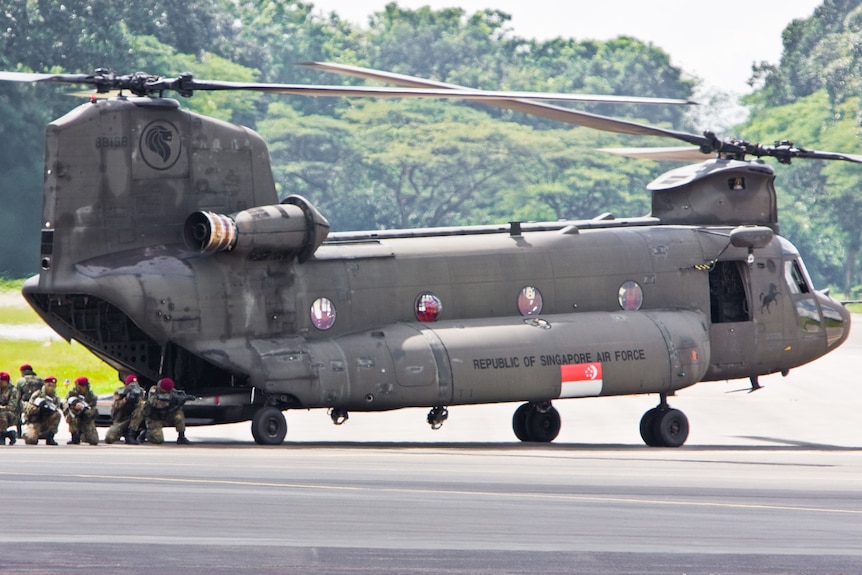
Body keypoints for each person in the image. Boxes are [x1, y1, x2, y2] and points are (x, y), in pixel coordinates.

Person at [143, 377, 191, 445]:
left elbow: (175, 406)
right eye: (166, 390)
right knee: (158, 440)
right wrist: (170, 402)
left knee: (179, 414)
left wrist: (179, 402)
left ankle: (181, 436)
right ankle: (145, 433)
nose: (167, 392)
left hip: (166, 416)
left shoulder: (172, 391)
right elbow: (154, 403)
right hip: (154, 418)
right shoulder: (154, 390)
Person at [105, 374, 146, 444]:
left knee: (142, 407)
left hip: (134, 420)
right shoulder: (120, 392)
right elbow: (115, 406)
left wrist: (136, 400)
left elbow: (142, 406)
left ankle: (131, 434)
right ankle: (123, 433)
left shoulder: (140, 392)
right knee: (109, 438)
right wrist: (125, 400)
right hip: (122, 420)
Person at [22, 376, 62, 445]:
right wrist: (38, 408)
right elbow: (28, 408)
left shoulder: (55, 398)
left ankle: (50, 437)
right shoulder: (37, 395)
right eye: (49, 385)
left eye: (53, 386)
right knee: (31, 441)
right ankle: (29, 433)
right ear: (44, 384)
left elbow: (57, 408)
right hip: (35, 421)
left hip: (47, 421)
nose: (51, 388)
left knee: (57, 415)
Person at [63, 376, 99, 445]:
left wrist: (85, 409)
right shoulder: (72, 393)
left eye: (85, 386)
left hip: (86, 418)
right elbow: (65, 404)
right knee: (71, 416)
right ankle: (74, 436)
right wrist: (73, 406)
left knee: (94, 441)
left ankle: (84, 434)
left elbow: (93, 408)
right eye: (81, 386)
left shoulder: (91, 396)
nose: (83, 388)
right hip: (75, 416)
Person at [15, 364, 43, 437]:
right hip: (39, 404)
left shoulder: (21, 381)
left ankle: (19, 432)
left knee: (17, 408)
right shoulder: (40, 380)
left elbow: (17, 396)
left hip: (26, 404)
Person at [0, 372, 20, 445]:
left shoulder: (13, 391)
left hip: (11, 414)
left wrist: (1, 407)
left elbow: (12, 407)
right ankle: (10, 434)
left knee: (1, 414)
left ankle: (1, 435)